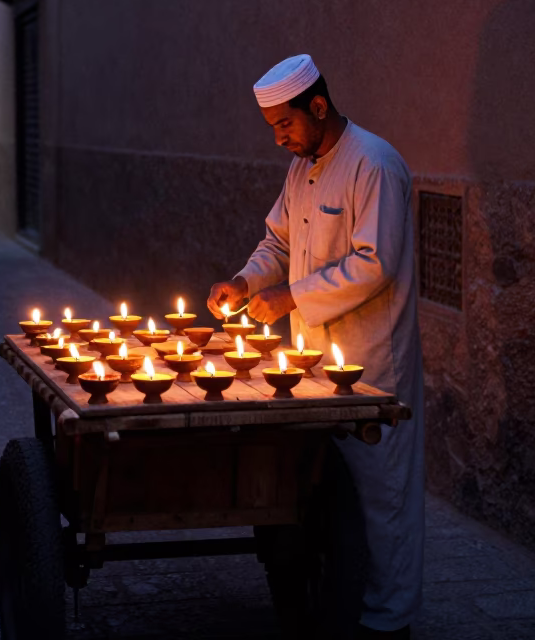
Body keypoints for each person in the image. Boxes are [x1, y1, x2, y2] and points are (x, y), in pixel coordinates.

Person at [207, 54, 423, 639]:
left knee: (382, 498)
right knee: (326, 491)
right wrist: (246, 282)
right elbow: (277, 240)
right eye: (273, 127)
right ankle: (337, 604)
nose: (280, 138)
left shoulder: (374, 164)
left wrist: (291, 298)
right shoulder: (301, 169)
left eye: (286, 125)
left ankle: (388, 620)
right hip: (314, 365)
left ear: (319, 107)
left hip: (373, 362)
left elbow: (374, 263)